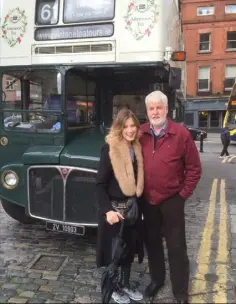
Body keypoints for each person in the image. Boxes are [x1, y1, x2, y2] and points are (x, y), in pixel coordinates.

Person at [139, 91, 202, 303]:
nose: (155, 111)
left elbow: (194, 169)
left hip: (172, 200)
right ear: (147, 111)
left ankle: (180, 291)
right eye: (151, 108)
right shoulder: (140, 133)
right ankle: (157, 280)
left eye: (159, 107)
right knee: (153, 243)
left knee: (176, 247)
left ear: (167, 109)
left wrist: (182, 195)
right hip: (148, 200)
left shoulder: (181, 134)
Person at [96, 109, 144, 304]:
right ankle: (112, 288)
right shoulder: (109, 149)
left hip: (132, 208)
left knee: (128, 251)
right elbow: (100, 184)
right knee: (113, 253)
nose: (130, 130)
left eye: (133, 126)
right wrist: (108, 211)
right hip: (115, 210)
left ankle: (124, 285)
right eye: (126, 126)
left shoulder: (137, 147)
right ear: (119, 128)